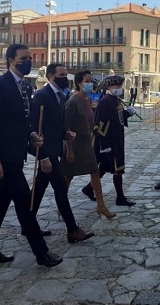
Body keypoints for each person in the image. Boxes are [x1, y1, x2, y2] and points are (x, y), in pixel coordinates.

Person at [0, 44, 63, 268]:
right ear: (10, 60)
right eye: (23, 58)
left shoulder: (25, 86)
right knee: (25, 205)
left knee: (0, 204)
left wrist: (33, 135)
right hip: (4, 158)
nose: (28, 61)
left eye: (30, 58)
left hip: (17, 154)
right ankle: (41, 253)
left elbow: (23, 120)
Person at [29, 63, 95, 243]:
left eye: (66, 74)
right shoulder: (42, 96)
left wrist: (66, 134)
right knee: (59, 189)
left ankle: (28, 225)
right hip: (46, 152)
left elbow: (55, 124)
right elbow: (35, 127)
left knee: (39, 188)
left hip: (54, 149)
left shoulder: (60, 95)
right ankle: (72, 229)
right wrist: (42, 156)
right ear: (51, 77)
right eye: (62, 74)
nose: (65, 77)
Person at [61, 70, 116, 219]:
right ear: (79, 83)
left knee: (95, 173)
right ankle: (62, 206)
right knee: (68, 176)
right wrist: (70, 150)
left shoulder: (87, 100)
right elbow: (66, 127)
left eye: (92, 80)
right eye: (87, 80)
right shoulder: (72, 102)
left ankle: (101, 206)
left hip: (86, 143)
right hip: (74, 144)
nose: (90, 83)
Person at [92, 75, 137, 206]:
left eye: (120, 86)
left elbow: (118, 118)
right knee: (117, 168)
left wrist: (128, 113)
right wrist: (104, 145)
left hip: (117, 137)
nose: (119, 88)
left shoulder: (115, 100)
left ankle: (88, 189)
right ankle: (120, 198)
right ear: (109, 87)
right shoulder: (106, 101)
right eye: (116, 86)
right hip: (110, 140)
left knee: (106, 167)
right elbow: (100, 123)